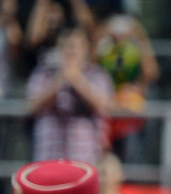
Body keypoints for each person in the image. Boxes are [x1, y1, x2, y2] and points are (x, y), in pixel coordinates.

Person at [27, 26, 114, 164]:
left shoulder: (98, 75)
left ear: (86, 50)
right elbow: (31, 106)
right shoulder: (43, 73)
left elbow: (104, 105)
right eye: (67, 46)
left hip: (85, 160)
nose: (72, 51)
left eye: (77, 47)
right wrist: (59, 80)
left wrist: (76, 79)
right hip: (47, 158)